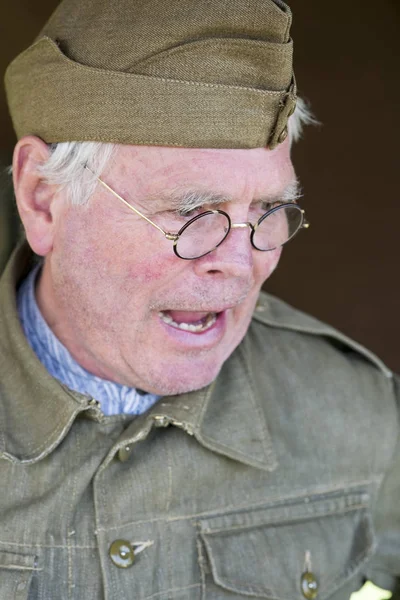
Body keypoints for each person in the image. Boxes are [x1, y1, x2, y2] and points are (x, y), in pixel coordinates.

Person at [1, 0, 399, 598]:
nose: (242, 264)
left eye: (268, 212)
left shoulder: (356, 412)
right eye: (192, 213)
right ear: (42, 198)